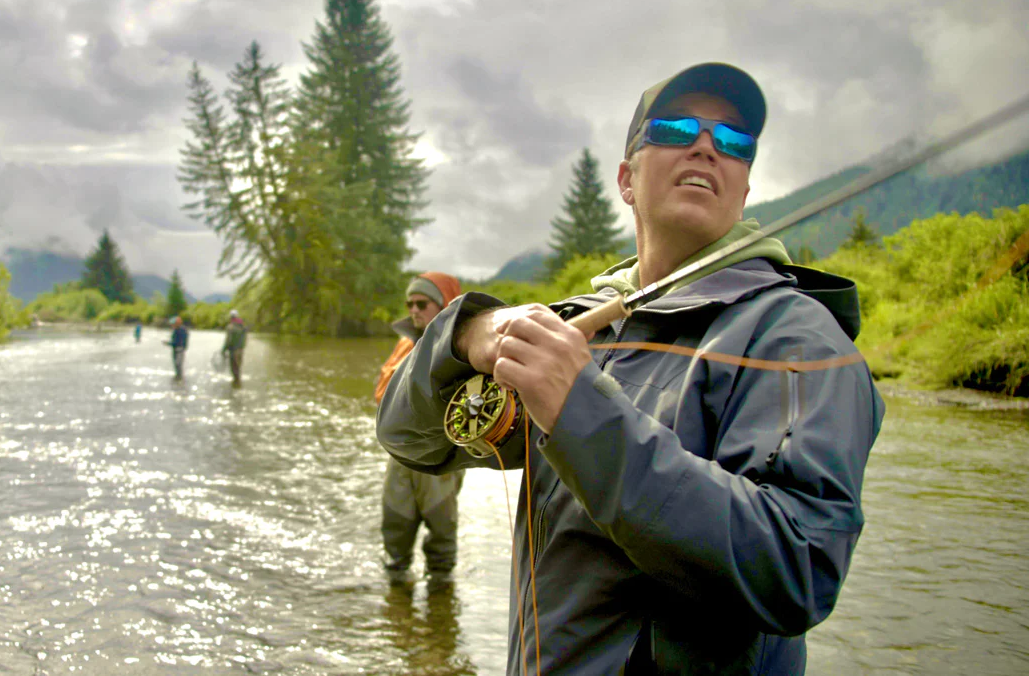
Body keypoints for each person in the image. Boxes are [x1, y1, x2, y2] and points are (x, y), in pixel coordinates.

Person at [376, 63, 885, 674]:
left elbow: (797, 569)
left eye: (733, 142)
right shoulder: (579, 327)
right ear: (626, 178)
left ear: (745, 187)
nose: (705, 146)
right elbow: (407, 438)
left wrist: (581, 411)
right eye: (675, 129)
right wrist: (465, 334)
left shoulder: (798, 338)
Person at [374, 272, 464, 584]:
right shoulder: (403, 343)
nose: (413, 309)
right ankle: (397, 602)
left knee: (441, 531)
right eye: (409, 303)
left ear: (443, 305)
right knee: (394, 527)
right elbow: (380, 394)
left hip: (442, 455)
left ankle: (440, 601)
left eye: (422, 303)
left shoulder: (463, 342)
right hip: (399, 456)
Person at [221, 309, 247, 385]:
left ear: (231, 317)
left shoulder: (230, 327)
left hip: (233, 351)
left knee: (234, 369)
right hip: (241, 350)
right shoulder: (243, 327)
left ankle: (236, 384)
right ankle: (238, 384)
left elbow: (228, 340)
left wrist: (223, 350)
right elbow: (245, 339)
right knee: (238, 368)